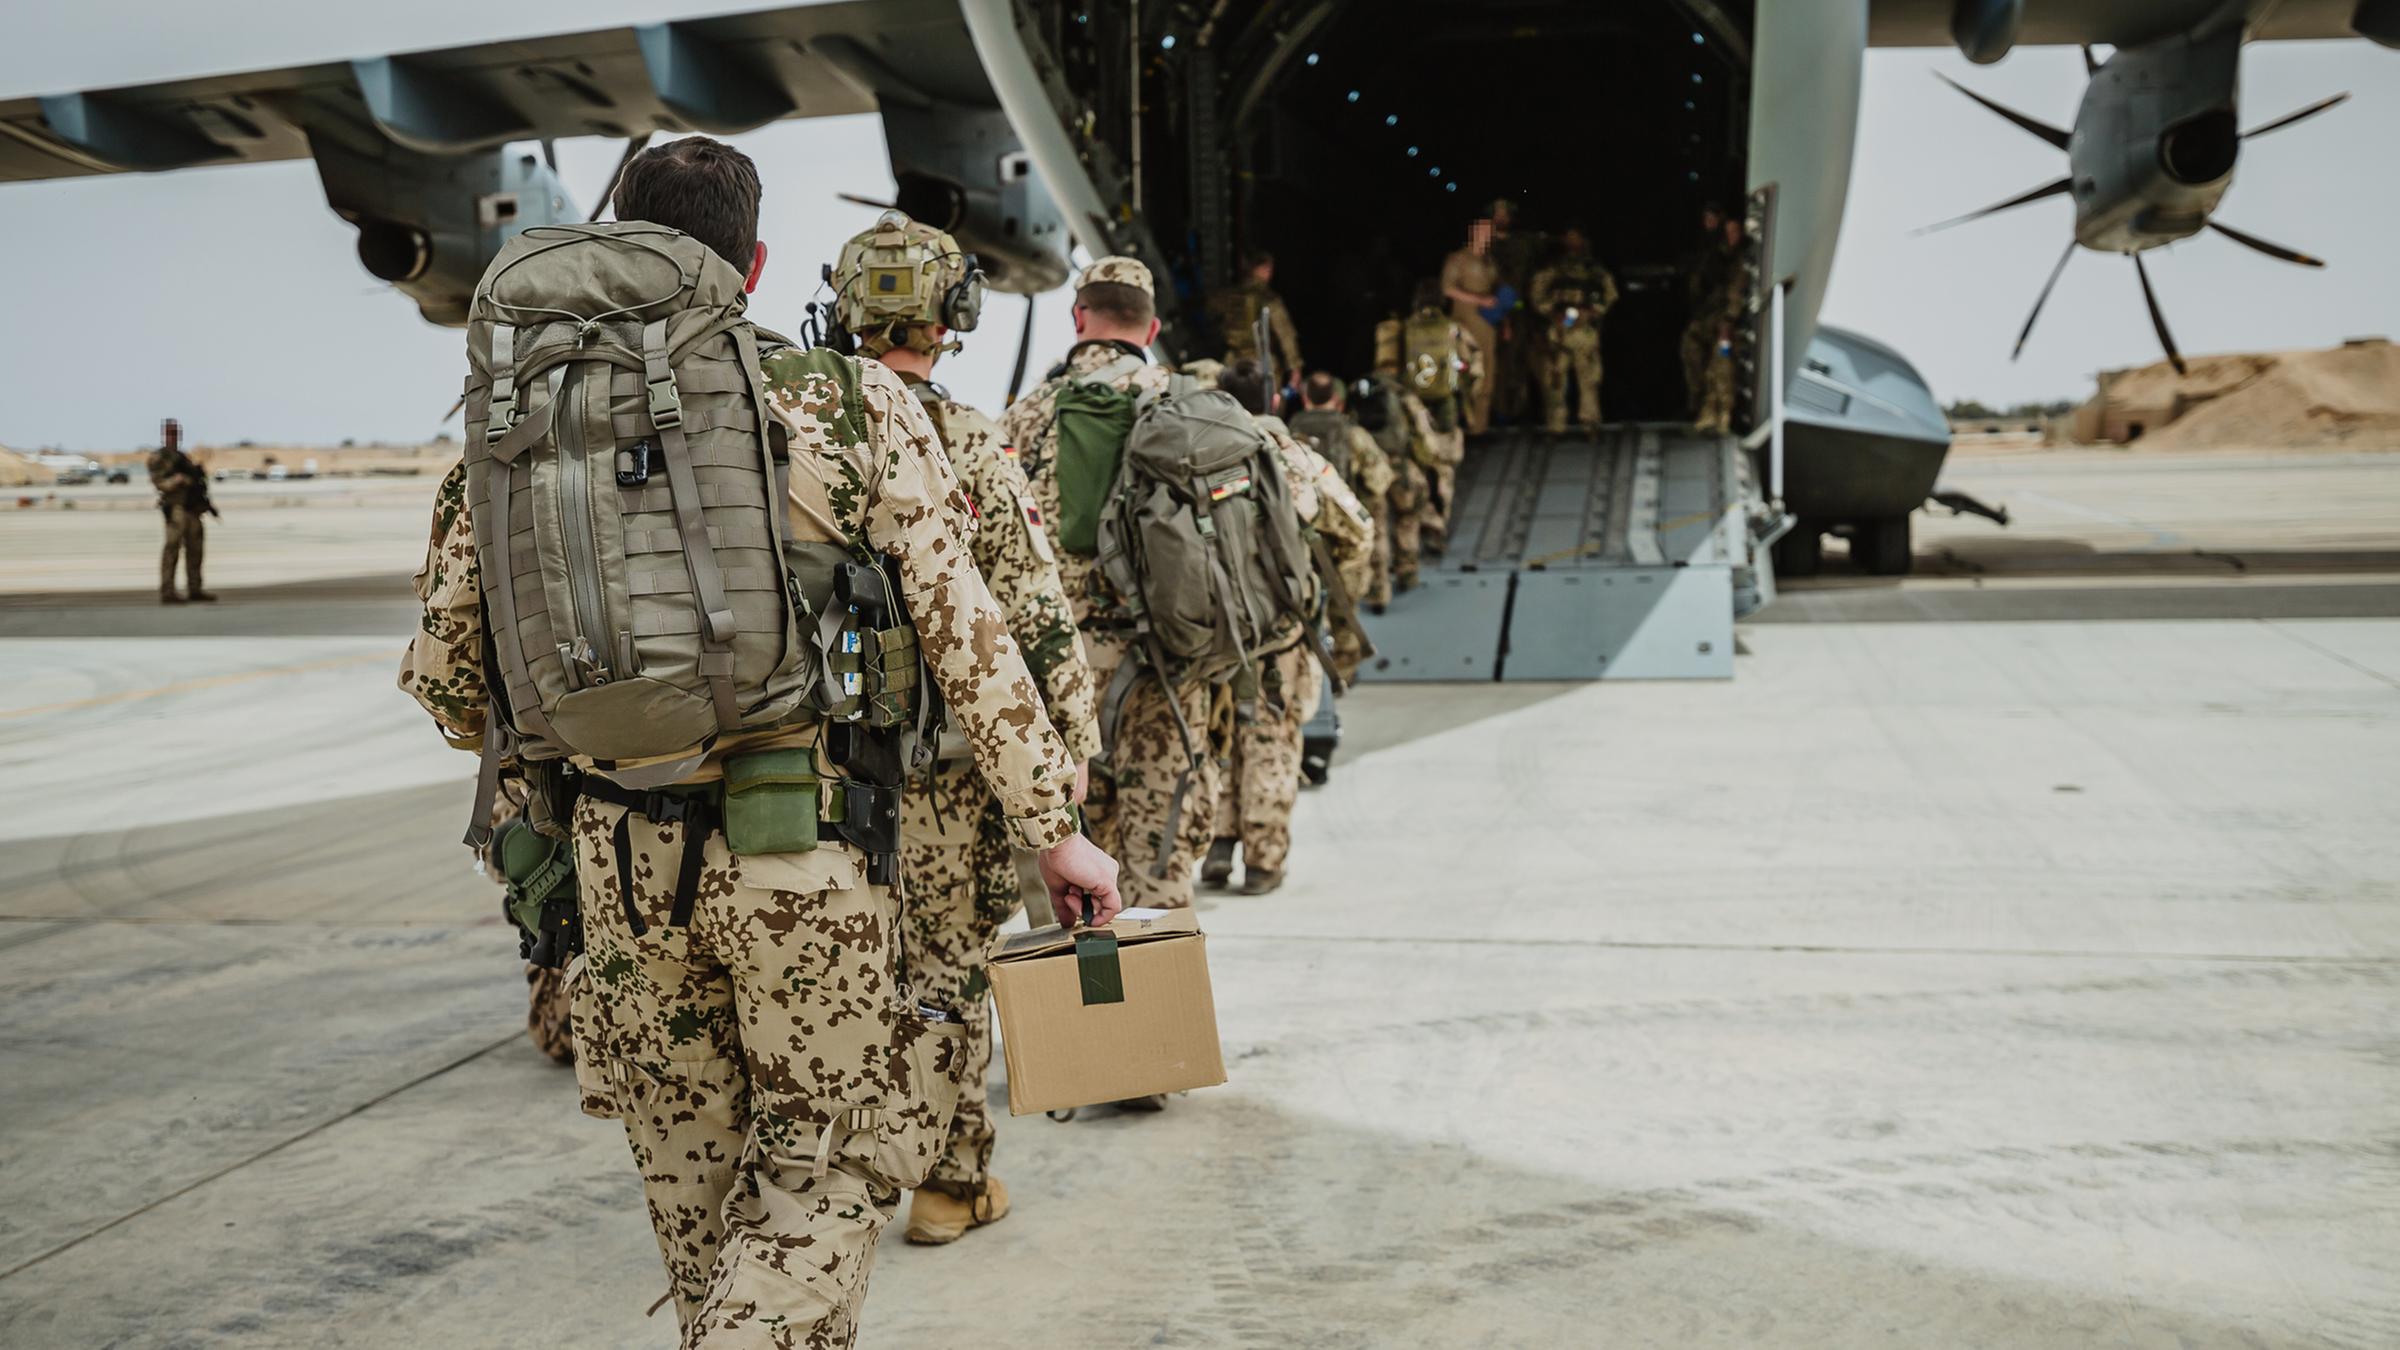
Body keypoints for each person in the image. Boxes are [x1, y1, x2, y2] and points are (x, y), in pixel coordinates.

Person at [397, 136, 1122, 1347]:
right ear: (757, 261)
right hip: (806, 857)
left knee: (696, 1202)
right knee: (827, 1171)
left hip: (616, 870)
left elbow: (450, 684)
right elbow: (970, 639)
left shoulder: (515, 413)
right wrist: (1058, 831)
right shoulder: (848, 400)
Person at [825, 211, 1106, 1245]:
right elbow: (1031, 612)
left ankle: (829, 1183)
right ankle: (950, 1182)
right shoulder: (967, 441)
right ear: (954, 316)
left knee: (841, 973)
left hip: (813, 771)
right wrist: (1063, 758)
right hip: (940, 777)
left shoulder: (799, 428)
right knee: (944, 972)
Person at [1003, 257, 1224, 912]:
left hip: (1057, 681)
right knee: (1161, 864)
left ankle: (1091, 1005)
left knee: (1071, 878)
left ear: (1079, 319)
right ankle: (1165, 1000)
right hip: (1166, 661)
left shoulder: (1025, 416)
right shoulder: (1188, 406)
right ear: (1151, 326)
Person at [1200, 359, 1373, 895]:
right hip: (1279, 629)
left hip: (1210, 630)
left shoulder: (1199, 456)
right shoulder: (1297, 458)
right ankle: (1263, 861)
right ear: (1275, 402)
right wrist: (1325, 596)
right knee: (1271, 739)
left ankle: (1217, 846)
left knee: (1217, 737)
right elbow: (1357, 532)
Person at [1285, 371, 1394, 639]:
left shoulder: (1286, 437)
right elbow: (1379, 479)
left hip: (1303, 540)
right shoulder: (1352, 433)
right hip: (1343, 534)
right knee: (1344, 609)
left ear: (1304, 397)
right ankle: (1345, 663)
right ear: (1336, 399)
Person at [1376, 281, 1477, 556]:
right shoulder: (1453, 329)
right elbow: (1473, 366)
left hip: (1411, 407)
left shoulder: (1400, 329)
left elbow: (1385, 374)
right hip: (1444, 406)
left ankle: (1422, 522)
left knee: (1416, 464)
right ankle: (1439, 520)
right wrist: (1468, 397)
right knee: (1443, 468)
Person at [1529, 226, 1621, 434]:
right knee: (1555, 380)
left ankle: (1590, 423)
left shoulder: (1594, 269)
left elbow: (1610, 295)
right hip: (1558, 331)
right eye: (1569, 238)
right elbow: (1536, 293)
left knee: (1589, 379)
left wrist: (1592, 311)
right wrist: (1552, 312)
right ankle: (1555, 426)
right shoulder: (1553, 267)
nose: (1573, 243)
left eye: (1576, 238)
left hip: (1585, 330)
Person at [1440, 216, 1503, 435]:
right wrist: (1479, 300)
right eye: (1483, 230)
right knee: (1463, 376)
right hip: (1464, 324)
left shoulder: (1490, 262)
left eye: (1490, 231)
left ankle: (1479, 427)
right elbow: (1447, 289)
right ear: (1473, 231)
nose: (1487, 235)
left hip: (1487, 325)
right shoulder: (1458, 259)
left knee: (1487, 376)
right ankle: (1457, 427)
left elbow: (1497, 290)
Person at [1204, 249, 1304, 385]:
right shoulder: (1269, 299)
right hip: (1261, 364)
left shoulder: (1227, 295)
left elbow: (1208, 312)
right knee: (1266, 403)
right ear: (1263, 268)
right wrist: (1295, 368)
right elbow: (1285, 335)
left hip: (1233, 362)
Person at [1693, 217, 1751, 435]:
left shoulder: (1743, 263)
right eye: (1727, 232)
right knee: (1713, 370)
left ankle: (1723, 415)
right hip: (1719, 323)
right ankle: (1710, 413)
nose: (1730, 237)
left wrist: (1728, 322)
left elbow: (1736, 295)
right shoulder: (1721, 259)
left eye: (1735, 231)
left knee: (1723, 367)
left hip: (1733, 327)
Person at [146, 418, 215, 604]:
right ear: (164, 435)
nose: (173, 437)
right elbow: (159, 482)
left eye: (176, 433)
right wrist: (175, 481)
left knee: (196, 551)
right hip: (175, 508)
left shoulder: (182, 457)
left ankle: (195, 588)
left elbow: (196, 481)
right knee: (172, 549)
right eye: (170, 433)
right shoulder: (159, 458)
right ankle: (167, 591)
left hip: (192, 508)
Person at [1680, 202, 1732, 416]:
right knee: (1691, 354)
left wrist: (1728, 318)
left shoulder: (1724, 248)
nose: (1708, 222)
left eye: (1712, 218)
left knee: (1720, 366)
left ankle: (1717, 413)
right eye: (1706, 218)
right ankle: (1698, 405)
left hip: (1721, 316)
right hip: (1703, 315)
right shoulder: (1704, 246)